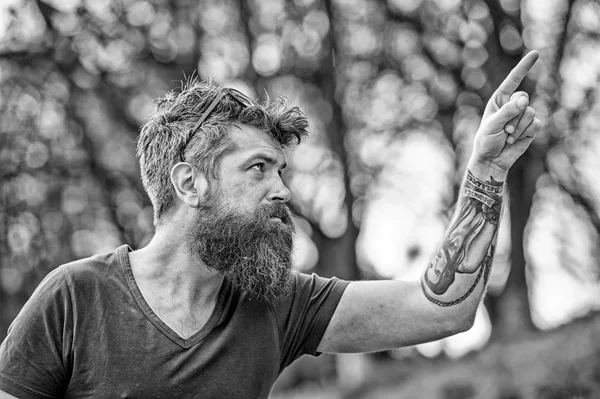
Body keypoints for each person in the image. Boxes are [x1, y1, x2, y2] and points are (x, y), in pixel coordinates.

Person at [0, 51, 540, 398]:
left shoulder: (278, 304)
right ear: (190, 184)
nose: (282, 190)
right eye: (258, 168)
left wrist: (486, 173)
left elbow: (441, 309)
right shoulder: (73, 299)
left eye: (281, 170)